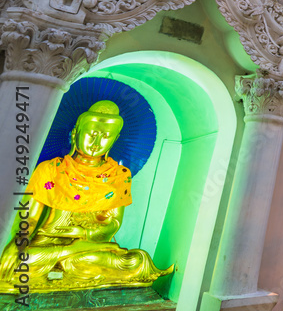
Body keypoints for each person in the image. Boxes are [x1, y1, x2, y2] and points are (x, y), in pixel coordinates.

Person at [0, 101, 172, 292]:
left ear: (114, 140)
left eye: (106, 136)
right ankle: (70, 254)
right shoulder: (49, 169)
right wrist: (17, 244)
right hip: (48, 243)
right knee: (16, 261)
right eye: (92, 133)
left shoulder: (119, 176)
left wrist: (82, 234)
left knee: (137, 260)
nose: (96, 142)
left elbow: (113, 223)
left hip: (90, 248)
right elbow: (29, 218)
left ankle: (70, 258)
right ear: (75, 133)